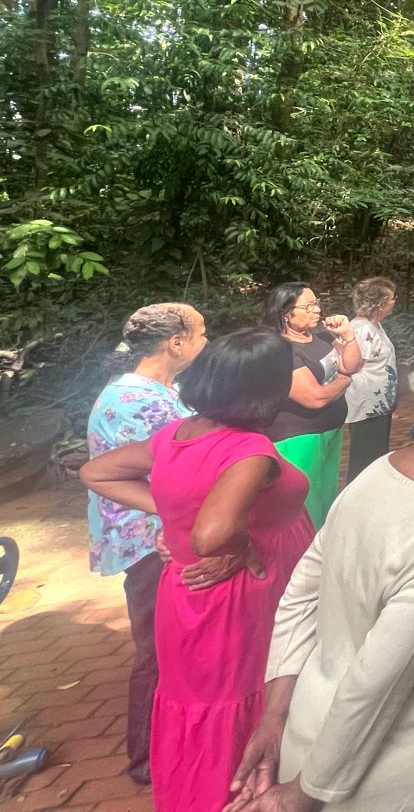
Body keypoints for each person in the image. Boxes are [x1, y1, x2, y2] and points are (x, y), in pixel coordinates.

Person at [224, 349, 414, 812]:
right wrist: (303, 793)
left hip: (310, 733)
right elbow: (379, 677)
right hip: (410, 774)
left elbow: (299, 597)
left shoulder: (372, 475)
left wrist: (274, 716)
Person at [80, 328, 315, 812]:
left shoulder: (176, 435)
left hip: (188, 598)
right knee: (245, 700)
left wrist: (169, 513)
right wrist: (246, 547)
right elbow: (211, 535)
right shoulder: (249, 451)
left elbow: (96, 472)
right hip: (240, 597)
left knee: (199, 704)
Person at [84, 303, 208, 785]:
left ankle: (169, 739)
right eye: (201, 332)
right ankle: (145, 756)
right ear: (175, 343)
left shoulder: (159, 390)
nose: (205, 341)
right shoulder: (139, 400)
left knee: (169, 643)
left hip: (159, 533)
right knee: (156, 649)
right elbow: (180, 469)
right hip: (149, 542)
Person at [262, 283, 363, 527]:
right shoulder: (281, 349)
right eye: (309, 306)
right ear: (286, 313)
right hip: (299, 438)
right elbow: (315, 398)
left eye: (317, 303)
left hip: (329, 430)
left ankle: (322, 543)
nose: (317, 310)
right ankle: (302, 553)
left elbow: (352, 365)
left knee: (325, 493)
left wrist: (348, 335)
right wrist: (343, 381)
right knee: (304, 501)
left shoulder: (320, 335)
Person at [344, 277, 399, 482]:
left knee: (376, 456)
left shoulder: (375, 326)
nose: (395, 301)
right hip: (366, 406)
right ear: (380, 303)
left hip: (378, 405)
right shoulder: (361, 329)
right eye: (392, 298)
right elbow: (353, 365)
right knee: (364, 460)